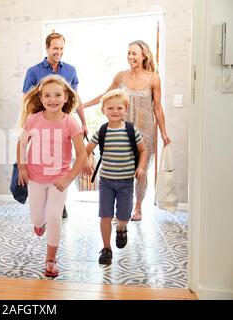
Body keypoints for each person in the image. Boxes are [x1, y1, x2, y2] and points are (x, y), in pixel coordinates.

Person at [83, 40, 171, 221]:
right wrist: (83, 106)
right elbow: (106, 96)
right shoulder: (121, 76)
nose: (130, 57)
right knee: (121, 168)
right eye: (129, 53)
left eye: (134, 53)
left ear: (144, 55)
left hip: (145, 131)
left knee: (142, 170)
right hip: (122, 129)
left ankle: (137, 208)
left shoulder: (153, 78)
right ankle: (121, 206)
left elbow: (157, 107)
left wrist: (163, 132)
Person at [17, 75, 87, 277]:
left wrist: (68, 179)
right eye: (47, 95)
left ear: (66, 97)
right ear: (41, 97)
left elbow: (82, 154)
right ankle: (40, 224)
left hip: (58, 181)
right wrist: (22, 167)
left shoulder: (70, 123)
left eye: (57, 95)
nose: (52, 99)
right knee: (38, 218)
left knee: (54, 216)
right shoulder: (33, 120)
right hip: (36, 178)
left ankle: (51, 259)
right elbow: (21, 144)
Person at [22, 32, 88, 218]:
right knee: (42, 161)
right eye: (55, 48)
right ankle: (42, 201)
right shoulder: (33, 72)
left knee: (61, 162)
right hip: (40, 124)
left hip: (63, 125)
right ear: (47, 48)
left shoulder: (70, 70)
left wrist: (83, 122)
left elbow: (76, 98)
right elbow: (27, 101)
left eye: (61, 48)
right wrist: (27, 125)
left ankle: (58, 201)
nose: (58, 51)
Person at [83, 89, 147, 265]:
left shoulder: (131, 130)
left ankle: (121, 228)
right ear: (103, 110)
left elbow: (143, 151)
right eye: (110, 108)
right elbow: (86, 151)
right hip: (106, 182)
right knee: (105, 215)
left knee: (124, 215)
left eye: (119, 108)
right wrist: (87, 160)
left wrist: (141, 167)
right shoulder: (101, 131)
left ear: (125, 109)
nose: (115, 111)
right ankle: (106, 248)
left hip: (126, 182)